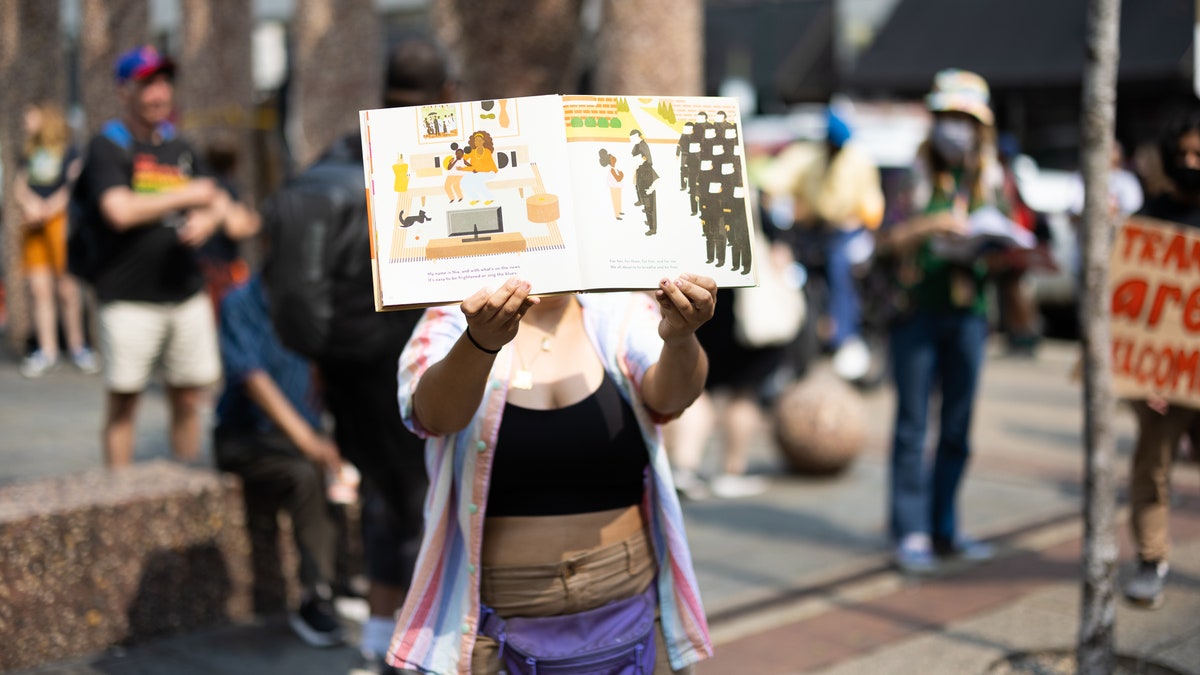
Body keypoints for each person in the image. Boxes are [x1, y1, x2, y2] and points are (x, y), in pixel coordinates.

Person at [385, 276, 717, 674]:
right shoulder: (456, 315)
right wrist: (480, 342)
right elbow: (433, 415)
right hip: (498, 614)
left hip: (631, 598)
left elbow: (672, 397)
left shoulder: (621, 311)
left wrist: (681, 337)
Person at [266, 35, 452, 675]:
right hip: (407, 360)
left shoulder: (347, 152)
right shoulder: (432, 157)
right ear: (445, 94)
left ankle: (378, 629)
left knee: (379, 492)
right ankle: (418, 634)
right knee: (423, 495)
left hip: (342, 364)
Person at [874, 69, 1005, 573]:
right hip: (914, 314)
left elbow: (1012, 244)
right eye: (948, 117)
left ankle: (945, 527)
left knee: (957, 428)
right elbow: (880, 244)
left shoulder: (992, 179)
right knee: (911, 427)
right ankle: (910, 530)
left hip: (969, 316)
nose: (956, 128)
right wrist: (928, 227)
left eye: (966, 120)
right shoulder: (907, 177)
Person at [81, 45, 234, 468]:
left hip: (185, 294)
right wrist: (189, 194)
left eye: (163, 82)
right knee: (124, 402)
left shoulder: (179, 145)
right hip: (128, 299)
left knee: (188, 398)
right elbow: (119, 210)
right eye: (147, 84)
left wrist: (209, 217)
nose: (158, 93)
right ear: (124, 91)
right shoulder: (107, 145)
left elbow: (218, 198)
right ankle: (119, 500)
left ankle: (184, 491)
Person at [212, 272, 345, 647]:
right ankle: (313, 597)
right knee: (305, 474)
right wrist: (308, 441)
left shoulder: (312, 295)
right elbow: (252, 378)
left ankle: (340, 579)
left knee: (341, 469)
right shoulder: (241, 301)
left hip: (303, 433)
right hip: (246, 438)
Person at [1120, 109, 1200, 608]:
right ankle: (1151, 558)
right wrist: (1143, 372)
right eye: (1183, 154)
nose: (1191, 162)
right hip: (1164, 376)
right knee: (1153, 466)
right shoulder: (1150, 218)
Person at [758, 104, 885, 383]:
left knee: (839, 266)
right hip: (809, 234)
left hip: (846, 234)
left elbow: (872, 209)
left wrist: (853, 220)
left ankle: (845, 337)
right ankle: (786, 350)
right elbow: (771, 186)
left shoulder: (858, 161)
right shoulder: (806, 158)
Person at [12, 101, 97, 378]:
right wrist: (30, 204)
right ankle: (47, 350)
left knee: (66, 288)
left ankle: (77, 346)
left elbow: (72, 185)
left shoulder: (67, 150)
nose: (26, 122)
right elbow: (20, 183)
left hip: (58, 221)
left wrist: (51, 208)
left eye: (30, 117)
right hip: (33, 222)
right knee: (39, 288)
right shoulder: (29, 151)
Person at [598, 148, 625, 220]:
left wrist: (620, 174)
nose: (614, 158)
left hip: (617, 186)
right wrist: (622, 174)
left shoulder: (615, 168)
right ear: (611, 161)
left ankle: (619, 211)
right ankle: (617, 215)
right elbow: (618, 178)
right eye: (613, 158)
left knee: (618, 198)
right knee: (615, 200)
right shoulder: (612, 169)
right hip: (614, 186)